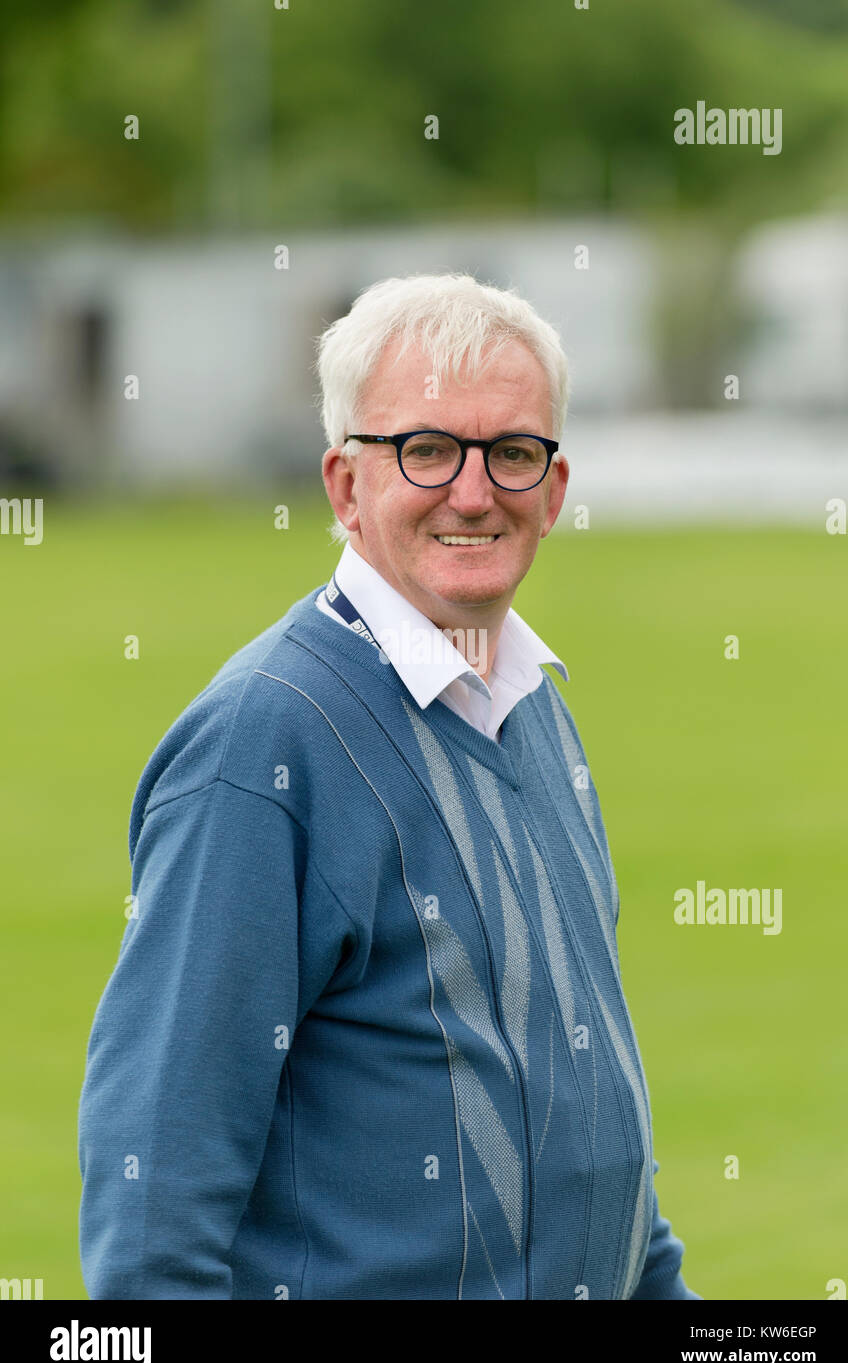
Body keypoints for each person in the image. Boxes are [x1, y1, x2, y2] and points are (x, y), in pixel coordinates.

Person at [78, 272, 699, 1300]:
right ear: (343, 485)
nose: (471, 490)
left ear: (552, 488)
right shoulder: (261, 745)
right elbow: (155, 1193)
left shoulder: (531, 707)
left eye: (510, 451)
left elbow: (589, 1121)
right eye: (424, 448)